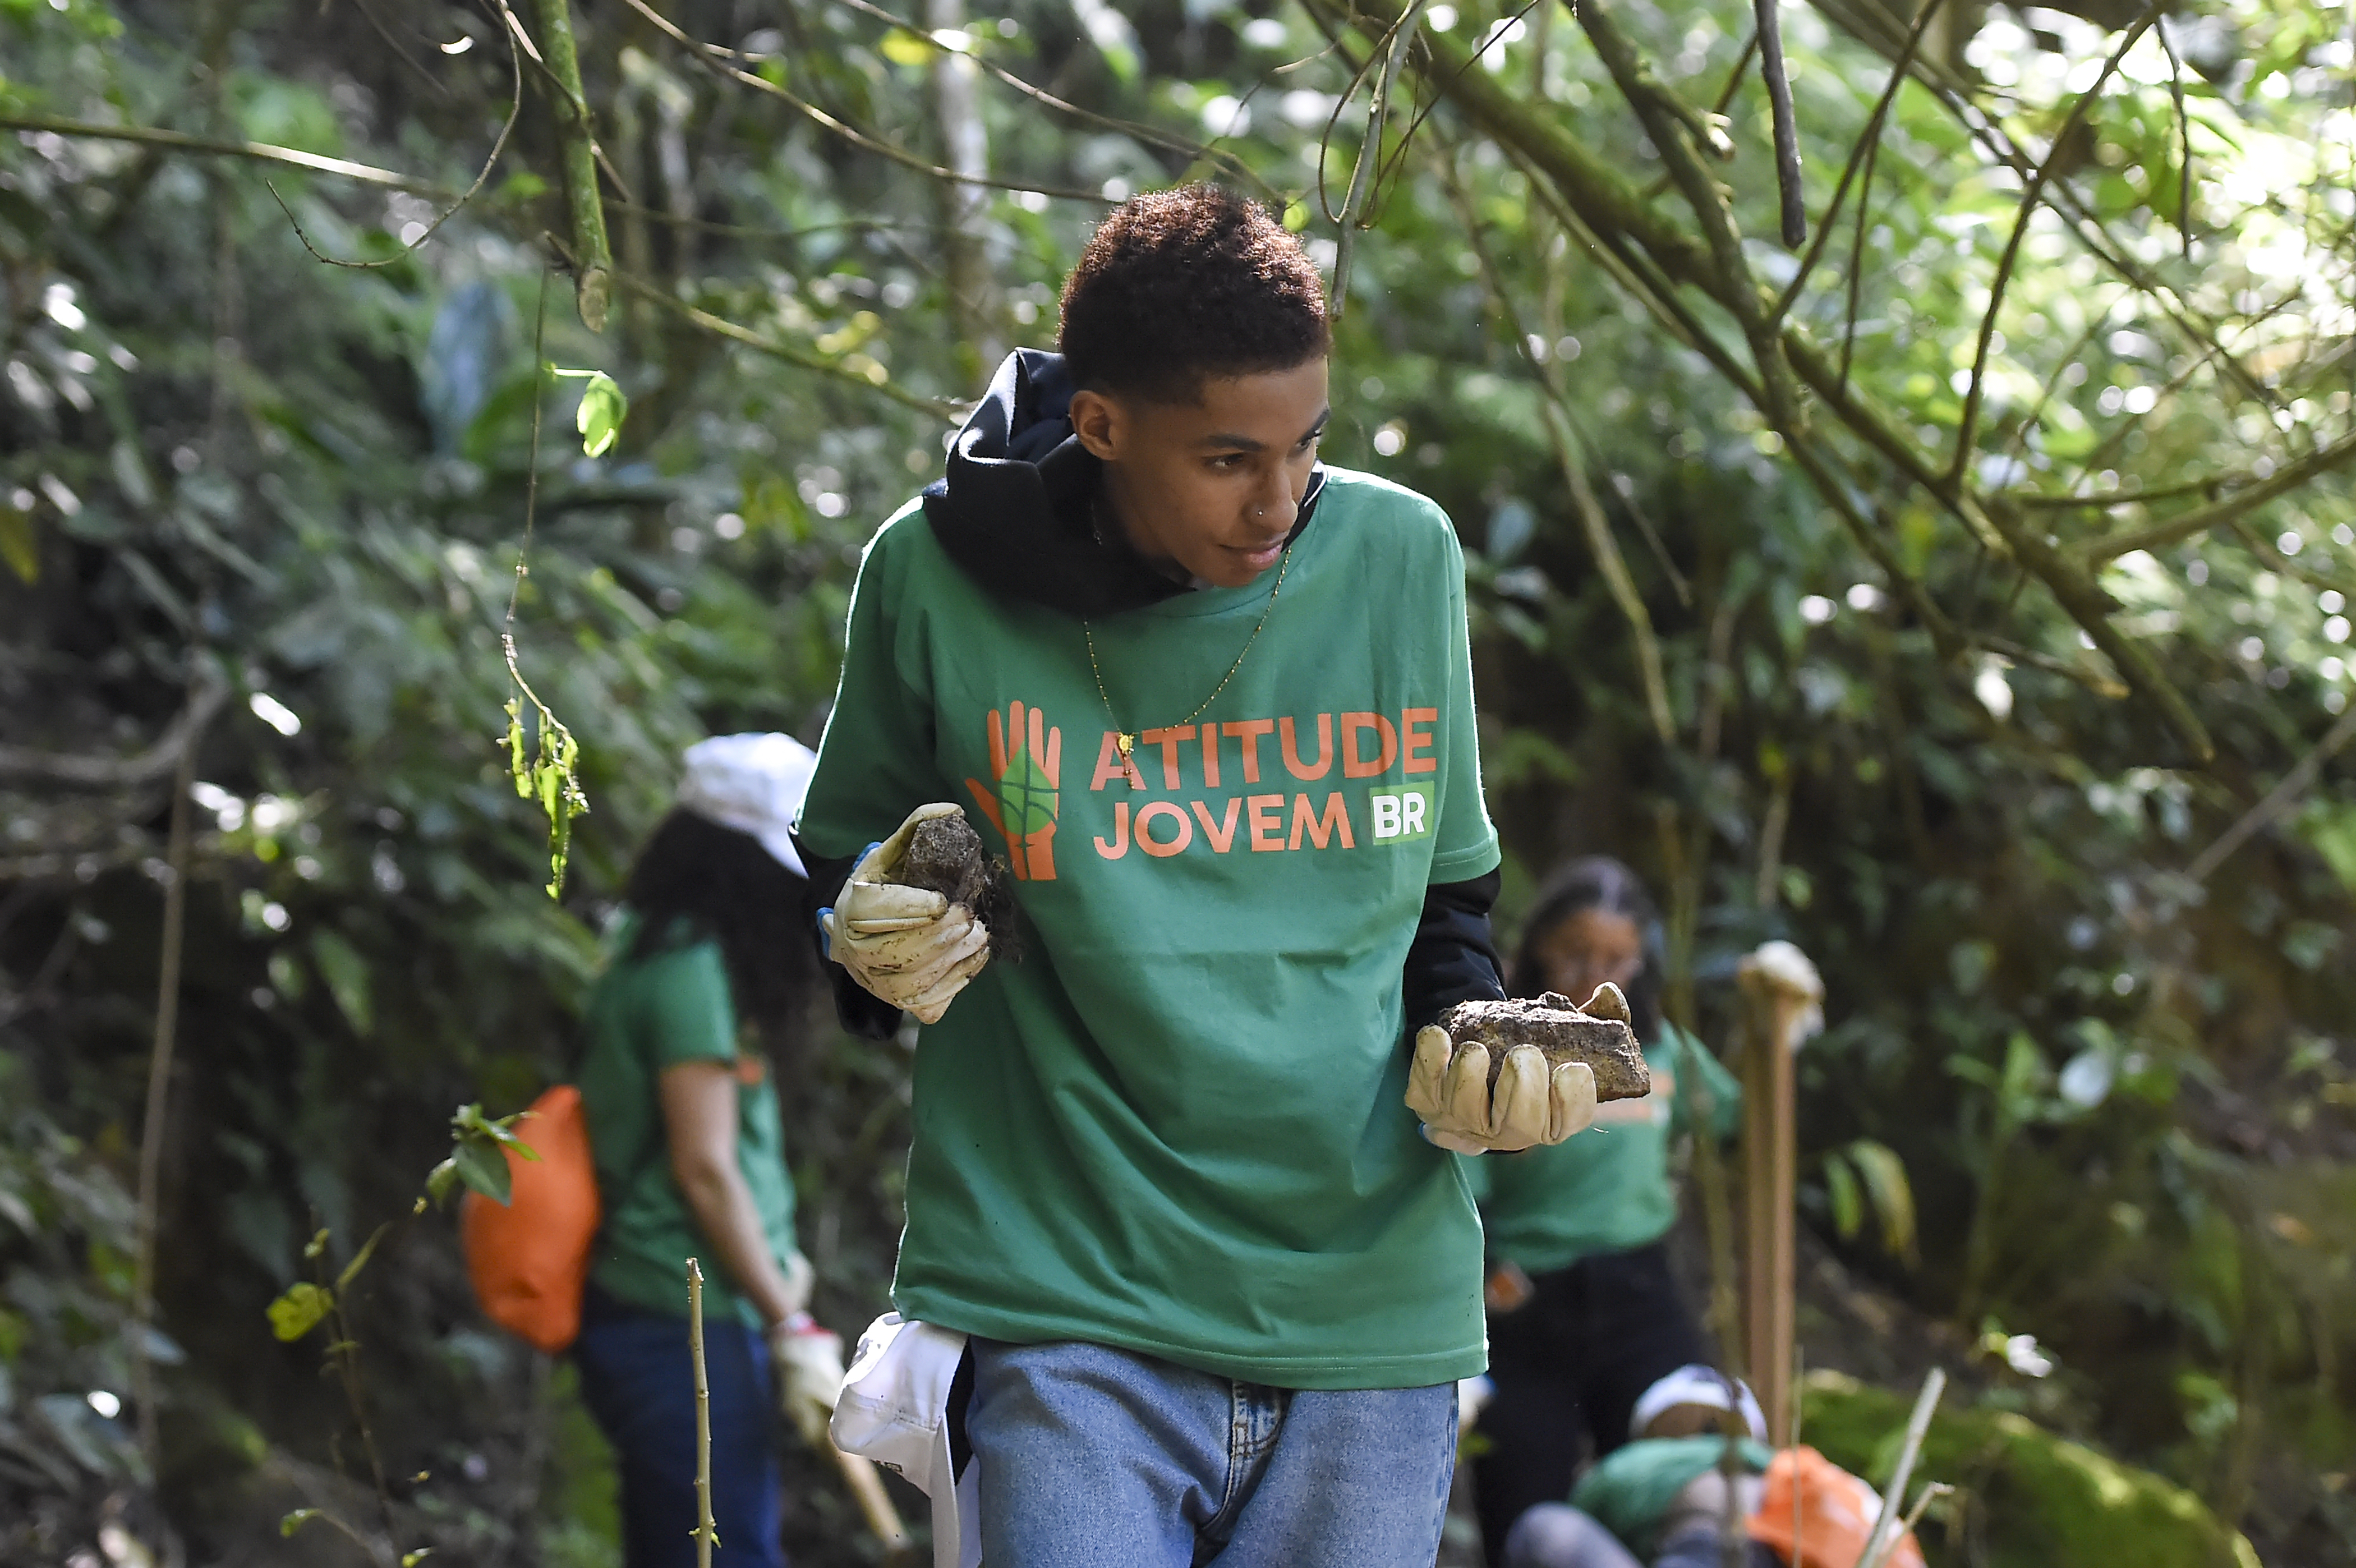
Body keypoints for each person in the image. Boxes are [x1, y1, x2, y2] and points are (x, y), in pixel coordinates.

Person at [794, 185, 1598, 1566]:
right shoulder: (928, 577)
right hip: (1068, 1295)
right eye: (1229, 458)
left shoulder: (1402, 559)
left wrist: (1479, 1044)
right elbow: (846, 904)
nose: (1280, 500)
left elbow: (1443, 915)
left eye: (1307, 447)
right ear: (1101, 425)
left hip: (1371, 1311)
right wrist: (868, 947)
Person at [572, 733, 848, 1568]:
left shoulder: (657, 941)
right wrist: (789, 1317)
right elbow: (705, 1166)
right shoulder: (690, 966)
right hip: (681, 1316)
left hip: (688, 1308)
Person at [1469, 856, 1744, 1565]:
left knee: (1682, 1476)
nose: (1594, 973)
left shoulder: (1662, 1048)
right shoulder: (1505, 1046)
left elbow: (1731, 1113)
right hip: (1530, 1301)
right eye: (1575, 952)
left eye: (1616, 957)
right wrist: (1495, 1272)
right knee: (1523, 1507)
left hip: (1641, 1293)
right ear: (1537, 949)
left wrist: (1772, 1031)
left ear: (1641, 959)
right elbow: (1464, 1179)